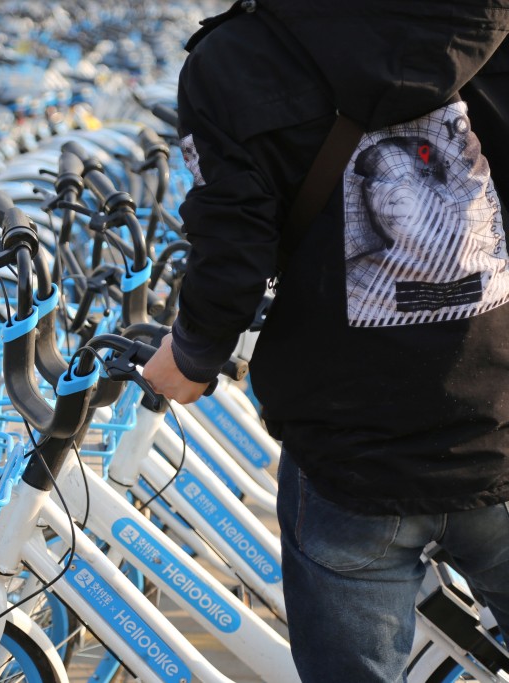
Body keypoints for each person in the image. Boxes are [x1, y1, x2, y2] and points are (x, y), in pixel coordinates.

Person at [141, 0, 509, 680]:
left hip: (350, 449)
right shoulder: (472, 25)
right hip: (493, 409)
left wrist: (190, 356)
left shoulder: (236, 60)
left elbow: (232, 249)